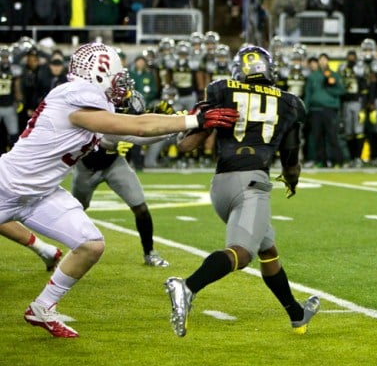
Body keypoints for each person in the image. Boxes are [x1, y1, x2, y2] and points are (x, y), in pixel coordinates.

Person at [1, 42, 240, 338]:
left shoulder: (91, 103)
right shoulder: (76, 96)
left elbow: (136, 135)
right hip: (6, 186)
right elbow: (137, 127)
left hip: (42, 194)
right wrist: (193, 119)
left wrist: (183, 120)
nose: (122, 87)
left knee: (91, 244)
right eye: (117, 77)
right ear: (99, 73)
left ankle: (41, 308)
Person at [164, 45, 320, 338]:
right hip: (252, 185)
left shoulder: (221, 88)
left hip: (221, 186)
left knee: (268, 248)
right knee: (242, 254)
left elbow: (187, 145)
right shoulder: (290, 102)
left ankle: (297, 315)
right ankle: (187, 287)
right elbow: (291, 158)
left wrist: (183, 133)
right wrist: (292, 180)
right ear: (269, 69)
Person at [71, 93, 172, 267]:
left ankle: (150, 253)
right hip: (85, 169)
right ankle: (71, 251)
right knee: (76, 210)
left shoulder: (109, 114)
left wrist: (165, 121)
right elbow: (142, 136)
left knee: (140, 206)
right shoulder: (103, 121)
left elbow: (141, 130)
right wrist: (171, 124)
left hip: (113, 163)